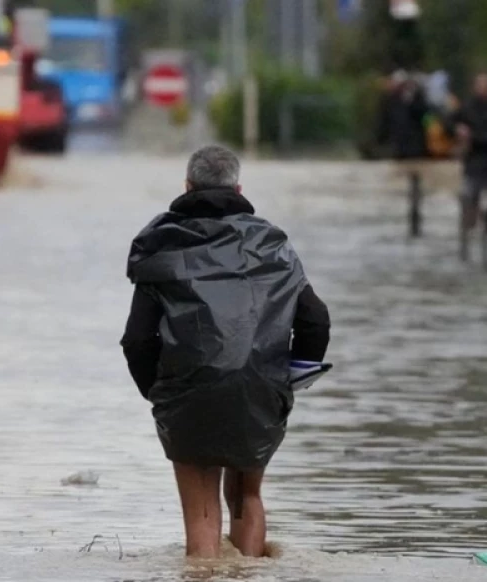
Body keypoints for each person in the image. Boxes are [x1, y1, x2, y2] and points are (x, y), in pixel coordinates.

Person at [120, 146, 331, 559]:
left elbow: (138, 339)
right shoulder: (274, 245)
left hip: (187, 393)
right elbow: (315, 320)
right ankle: (250, 572)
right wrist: (293, 377)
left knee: (201, 513)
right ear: (238, 188)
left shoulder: (161, 246)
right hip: (259, 388)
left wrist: (159, 391)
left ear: (187, 186)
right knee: (246, 497)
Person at [446, 73, 487, 269]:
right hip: (472, 167)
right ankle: (465, 248)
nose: (483, 89)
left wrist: (475, 138)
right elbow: (446, 122)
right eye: (479, 85)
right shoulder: (467, 108)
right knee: (468, 206)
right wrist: (458, 130)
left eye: (486, 85)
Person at [377, 70, 431, 236]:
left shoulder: (418, 99)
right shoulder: (391, 100)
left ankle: (415, 218)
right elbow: (385, 122)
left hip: (416, 150)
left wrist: (412, 101)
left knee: (415, 187)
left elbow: (425, 117)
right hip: (399, 149)